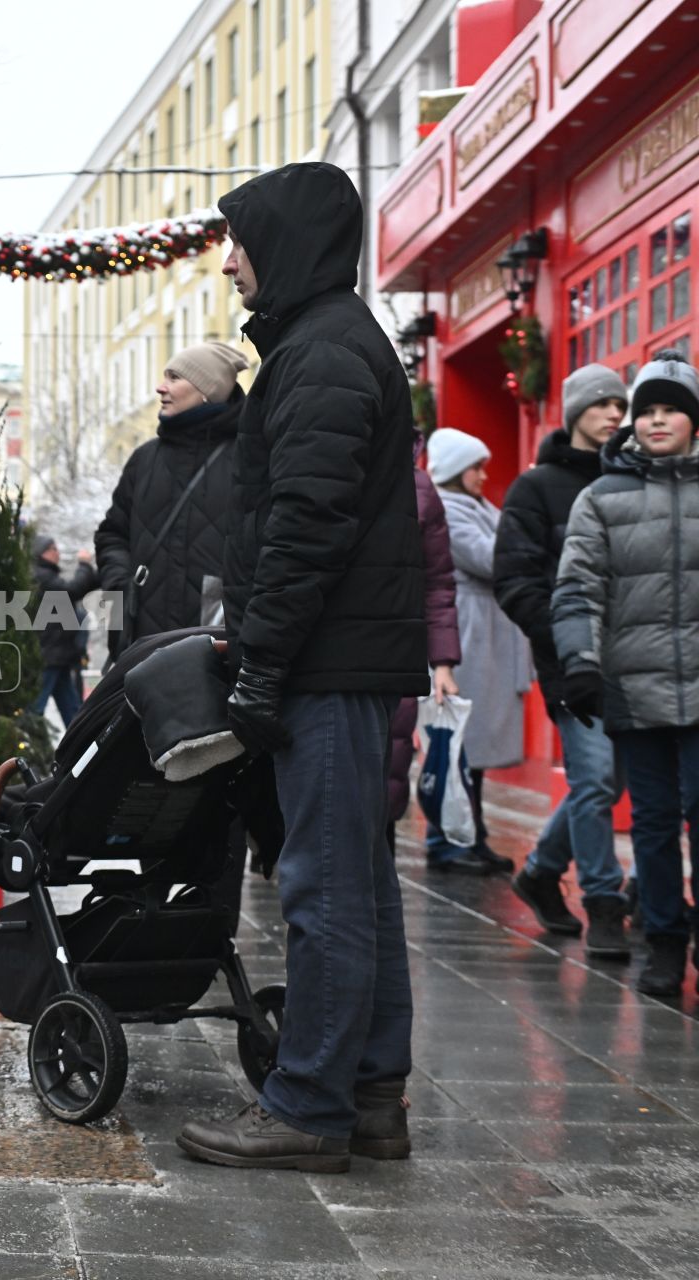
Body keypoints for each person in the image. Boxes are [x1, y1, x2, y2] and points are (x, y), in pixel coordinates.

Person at [176, 162, 424, 1173]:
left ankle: (310, 1103)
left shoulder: (321, 351)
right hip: (340, 656)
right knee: (359, 882)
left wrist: (264, 661)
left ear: (287, 242)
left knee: (323, 887)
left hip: (326, 661)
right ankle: (371, 1092)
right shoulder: (327, 342)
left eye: (240, 239)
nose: (229, 260)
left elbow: (305, 527)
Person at [553, 350, 699, 997]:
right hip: (634, 689)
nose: (659, 421)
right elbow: (578, 589)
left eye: (673, 410)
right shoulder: (602, 498)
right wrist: (581, 662)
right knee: (654, 820)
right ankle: (665, 940)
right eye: (649, 411)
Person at [494, 364, 630, 956]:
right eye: (601, 405)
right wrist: (567, 639)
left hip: (635, 658)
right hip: (569, 661)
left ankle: (542, 870)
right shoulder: (536, 487)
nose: (613, 417)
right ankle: (604, 898)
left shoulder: (630, 480)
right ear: (574, 411)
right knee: (596, 779)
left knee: (614, 779)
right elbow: (515, 578)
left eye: (619, 407)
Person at [95, 341, 250, 656]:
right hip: (142, 641)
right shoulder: (145, 459)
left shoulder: (250, 458)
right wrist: (120, 586)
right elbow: (113, 534)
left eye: (174, 378)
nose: (160, 388)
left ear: (207, 390)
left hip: (219, 646)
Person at [423, 427, 531, 873]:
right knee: (458, 740)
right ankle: (446, 839)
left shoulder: (476, 507)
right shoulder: (448, 510)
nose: (483, 475)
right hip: (467, 633)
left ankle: (472, 833)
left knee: (475, 744)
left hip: (486, 632)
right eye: (475, 467)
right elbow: (492, 559)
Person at [385, 465, 463, 849]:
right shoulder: (314, 456)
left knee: (388, 783)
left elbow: (438, 582)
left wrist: (443, 661)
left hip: (396, 655)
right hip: (323, 659)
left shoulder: (418, 485)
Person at [28, 536, 95, 725]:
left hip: (58, 656)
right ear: (42, 553)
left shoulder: (45, 576)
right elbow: (73, 590)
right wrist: (84, 565)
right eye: (52, 549)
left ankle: (79, 749)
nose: (57, 552)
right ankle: (24, 746)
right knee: (36, 709)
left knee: (72, 710)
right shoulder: (41, 576)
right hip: (50, 656)